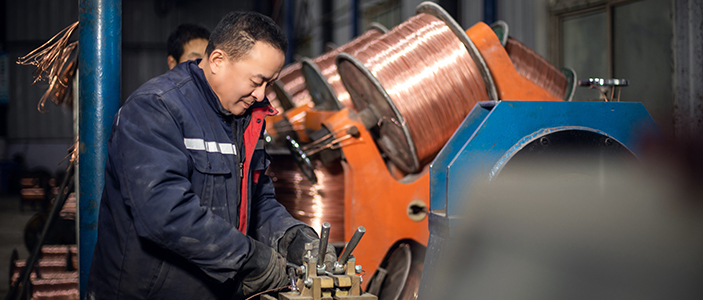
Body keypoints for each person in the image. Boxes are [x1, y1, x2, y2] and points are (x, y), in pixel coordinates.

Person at [86, 11, 336, 300]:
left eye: (270, 83)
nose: (261, 95)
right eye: (257, 81)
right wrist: (251, 260)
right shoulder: (155, 108)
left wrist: (289, 234)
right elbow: (164, 213)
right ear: (218, 61)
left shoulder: (246, 117)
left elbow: (257, 200)